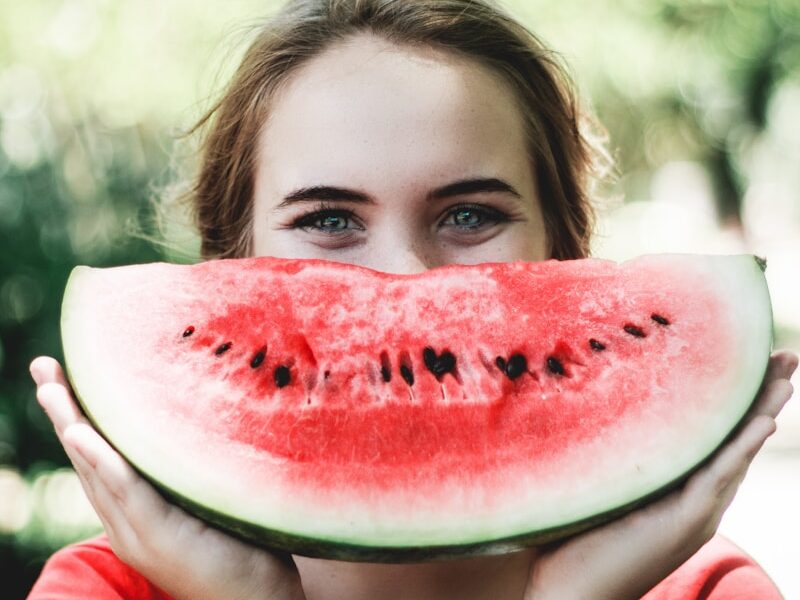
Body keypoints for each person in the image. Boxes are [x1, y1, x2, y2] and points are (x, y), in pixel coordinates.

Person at [28, 0, 797, 598]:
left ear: (564, 250)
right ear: (230, 262)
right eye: (328, 220)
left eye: (470, 215)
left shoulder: (710, 591)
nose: (402, 279)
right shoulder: (106, 590)